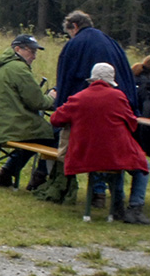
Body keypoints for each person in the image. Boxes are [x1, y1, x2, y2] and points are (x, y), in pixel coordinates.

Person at [55, 10, 143, 212]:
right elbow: (131, 119)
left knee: (86, 142)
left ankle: (95, 191)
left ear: (74, 26)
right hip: (117, 143)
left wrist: (60, 103)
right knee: (117, 150)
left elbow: (65, 84)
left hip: (85, 141)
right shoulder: (112, 44)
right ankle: (119, 202)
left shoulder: (75, 46)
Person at [50, 63, 149, 223]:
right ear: (111, 81)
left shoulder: (79, 98)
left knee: (114, 164)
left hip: (84, 154)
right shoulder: (118, 97)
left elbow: (55, 119)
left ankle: (116, 205)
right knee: (139, 165)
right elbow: (131, 123)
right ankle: (134, 208)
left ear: (92, 79)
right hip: (114, 153)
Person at [0, 34, 56, 190]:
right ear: (17, 49)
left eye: (35, 52)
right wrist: (52, 98)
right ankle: (40, 178)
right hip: (11, 127)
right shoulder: (19, 69)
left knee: (36, 136)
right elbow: (38, 102)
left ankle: (7, 172)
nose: (34, 56)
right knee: (54, 135)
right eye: (31, 51)